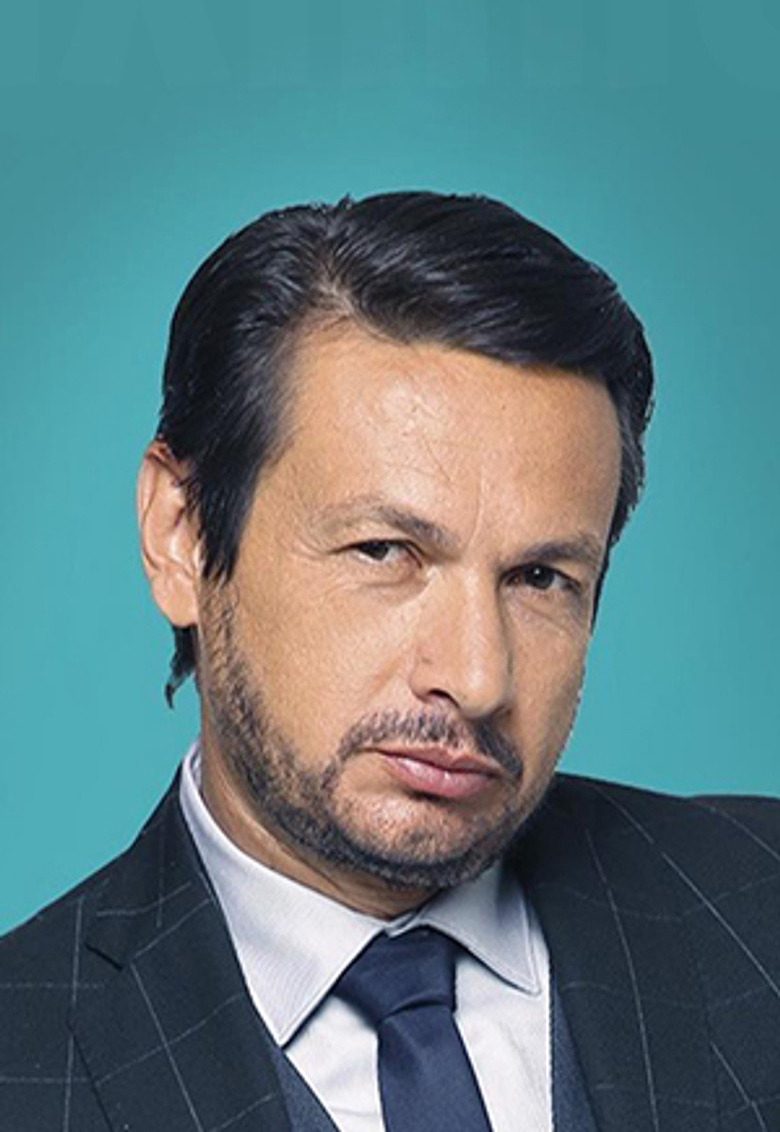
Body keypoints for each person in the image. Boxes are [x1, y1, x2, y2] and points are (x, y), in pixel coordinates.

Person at [1, 191, 778, 1132]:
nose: (478, 679)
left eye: (539, 577)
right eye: (384, 552)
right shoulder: (23, 1060)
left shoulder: (757, 904)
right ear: (182, 535)